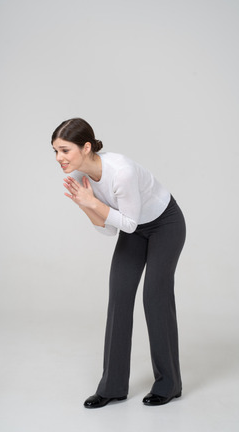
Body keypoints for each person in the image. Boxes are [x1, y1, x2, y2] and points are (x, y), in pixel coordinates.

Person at [51, 118, 186, 408]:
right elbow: (109, 229)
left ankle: (169, 383)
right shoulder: (79, 177)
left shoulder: (120, 171)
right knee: (120, 296)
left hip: (165, 224)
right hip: (132, 228)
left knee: (155, 298)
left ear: (86, 147)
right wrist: (86, 205)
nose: (59, 158)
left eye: (64, 150)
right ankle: (112, 386)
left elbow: (127, 223)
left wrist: (94, 203)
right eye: (55, 152)